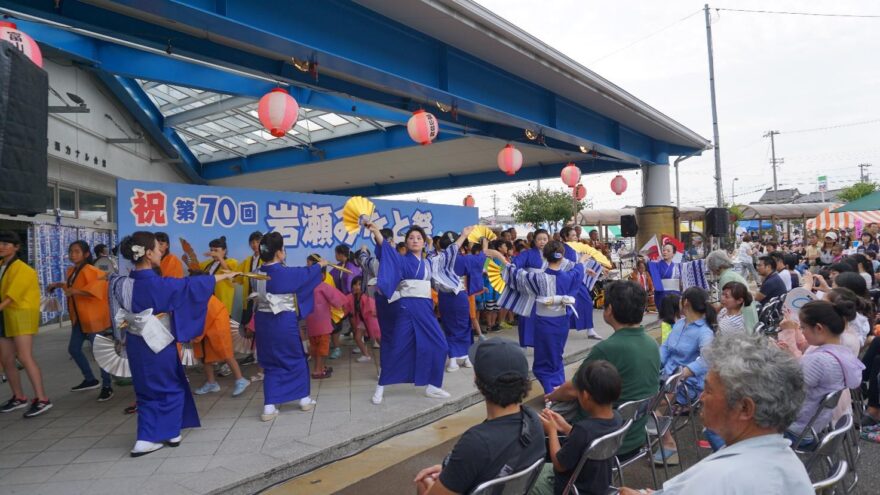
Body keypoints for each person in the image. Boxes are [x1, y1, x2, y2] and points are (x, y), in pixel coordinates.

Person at [619, 334, 813, 495]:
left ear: (745, 408)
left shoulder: (721, 479)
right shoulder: (787, 463)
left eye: (709, 390)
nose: (701, 397)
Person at [108, 231, 236, 456]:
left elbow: (116, 314)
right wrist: (223, 277)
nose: (161, 252)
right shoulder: (160, 285)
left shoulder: (119, 284)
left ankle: (161, 432)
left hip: (136, 344)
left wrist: (119, 341)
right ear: (148, 254)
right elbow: (191, 286)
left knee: (146, 390)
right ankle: (153, 437)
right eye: (157, 249)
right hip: (158, 342)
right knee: (170, 386)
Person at [413, 338, 545, 495]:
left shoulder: (477, 442)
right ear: (524, 381)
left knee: (423, 482)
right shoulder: (534, 420)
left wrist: (428, 486)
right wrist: (452, 472)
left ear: (477, 379)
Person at [545, 281, 660, 459]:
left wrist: (551, 395)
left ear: (609, 310)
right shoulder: (651, 343)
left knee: (544, 424)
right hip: (635, 434)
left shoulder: (608, 349)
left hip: (602, 441)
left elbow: (573, 390)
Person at [366, 222, 470, 405]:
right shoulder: (401, 259)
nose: (415, 240)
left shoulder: (429, 262)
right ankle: (381, 385)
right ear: (406, 242)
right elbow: (387, 252)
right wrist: (375, 231)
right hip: (406, 307)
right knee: (397, 347)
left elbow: (448, 254)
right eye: (411, 238)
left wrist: (462, 235)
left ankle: (433, 386)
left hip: (425, 309)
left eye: (419, 238)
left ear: (424, 243)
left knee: (440, 345)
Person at [490, 241, 588, 394]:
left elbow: (516, 274)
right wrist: (581, 261)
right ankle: (558, 386)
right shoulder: (570, 276)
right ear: (562, 258)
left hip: (544, 323)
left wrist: (500, 258)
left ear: (544, 256)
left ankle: (552, 393)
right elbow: (578, 270)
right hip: (562, 322)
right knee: (556, 356)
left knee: (543, 362)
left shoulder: (537, 278)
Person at [252, 232, 326, 421]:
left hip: (263, 322)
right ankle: (303, 399)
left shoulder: (257, 273)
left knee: (270, 362)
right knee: (295, 357)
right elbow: (307, 275)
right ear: (278, 253)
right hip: (282, 322)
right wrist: (320, 266)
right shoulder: (282, 273)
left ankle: (269, 406)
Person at [530, 360, 623, 495]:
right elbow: (587, 441)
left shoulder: (583, 430)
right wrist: (565, 427)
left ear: (585, 396)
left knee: (530, 481)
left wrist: (552, 431)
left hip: (573, 488)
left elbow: (559, 465)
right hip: (598, 483)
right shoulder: (617, 418)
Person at [783, 300, 864, 449]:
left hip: (794, 431)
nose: (801, 331)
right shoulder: (841, 352)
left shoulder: (818, 360)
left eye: (803, 327)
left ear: (819, 328)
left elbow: (786, 389)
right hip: (813, 427)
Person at [654, 287, 715, 465]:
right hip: (668, 376)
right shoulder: (680, 323)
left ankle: (669, 443)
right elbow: (665, 348)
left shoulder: (704, 331)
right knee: (641, 394)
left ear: (685, 302)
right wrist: (654, 364)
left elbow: (706, 359)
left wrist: (684, 373)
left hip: (687, 383)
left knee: (644, 402)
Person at [46, 240, 113, 401]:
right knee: (74, 349)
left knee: (99, 354)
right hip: (79, 319)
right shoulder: (73, 270)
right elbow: (73, 286)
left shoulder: (91, 270)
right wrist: (59, 285)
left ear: (86, 254)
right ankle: (90, 379)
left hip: (93, 319)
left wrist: (75, 291)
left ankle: (107, 385)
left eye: (76, 251)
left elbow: (98, 288)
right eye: (71, 251)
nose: (72, 254)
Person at [0, 231, 52, 418]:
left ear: (16, 247)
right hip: (5, 317)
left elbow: (11, 296)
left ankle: (42, 398)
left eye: (7, 244)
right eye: (1, 243)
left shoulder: (23, 268)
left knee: (24, 356)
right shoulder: (2, 266)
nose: (3, 246)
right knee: (6, 359)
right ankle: (19, 397)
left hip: (20, 315)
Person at [437, 231, 486, 371]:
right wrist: (484, 245)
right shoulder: (464, 259)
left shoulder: (439, 258)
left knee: (449, 325)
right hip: (460, 296)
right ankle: (465, 358)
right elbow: (479, 260)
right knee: (464, 324)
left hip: (444, 296)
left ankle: (453, 359)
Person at [192, 294, 250, 397]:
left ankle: (240, 379)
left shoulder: (209, 300)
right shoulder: (199, 297)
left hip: (217, 328)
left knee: (226, 354)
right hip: (207, 329)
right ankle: (211, 383)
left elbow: (206, 319)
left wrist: (195, 335)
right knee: (205, 357)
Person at [560, 226, 602, 340]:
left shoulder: (574, 248)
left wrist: (587, 269)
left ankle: (590, 329)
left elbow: (578, 263)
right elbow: (568, 265)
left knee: (587, 302)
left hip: (577, 279)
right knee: (566, 306)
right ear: (565, 237)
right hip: (568, 281)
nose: (576, 237)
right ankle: (561, 329)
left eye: (576, 235)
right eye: (573, 235)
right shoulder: (564, 249)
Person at [510, 229, 550, 347]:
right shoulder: (527, 253)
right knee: (527, 316)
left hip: (546, 288)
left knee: (544, 317)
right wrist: (524, 276)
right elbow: (515, 264)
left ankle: (542, 343)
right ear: (534, 240)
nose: (542, 242)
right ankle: (524, 344)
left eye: (545, 239)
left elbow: (565, 265)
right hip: (530, 289)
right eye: (539, 239)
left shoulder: (552, 254)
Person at [705, 250, 759, 334]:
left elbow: (725, 303)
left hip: (742, 317)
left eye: (711, 268)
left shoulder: (726, 277)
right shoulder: (731, 274)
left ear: (716, 267)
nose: (711, 271)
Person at [305, 276, 347, 379]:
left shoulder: (306, 286)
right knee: (322, 348)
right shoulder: (323, 286)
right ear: (323, 275)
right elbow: (338, 301)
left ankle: (321, 367)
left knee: (314, 347)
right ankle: (317, 371)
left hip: (310, 323)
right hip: (322, 322)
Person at [196, 236, 239, 316]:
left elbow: (230, 273)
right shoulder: (208, 263)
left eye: (216, 250)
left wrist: (219, 257)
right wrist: (187, 260)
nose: (213, 253)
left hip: (221, 301)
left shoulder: (232, 262)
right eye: (211, 250)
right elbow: (196, 270)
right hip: (207, 301)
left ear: (224, 251)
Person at [345, 277, 381, 362]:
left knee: (379, 339)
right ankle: (366, 355)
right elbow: (345, 304)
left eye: (359, 285)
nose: (356, 287)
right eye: (355, 284)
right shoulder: (351, 297)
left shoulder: (366, 298)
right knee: (357, 338)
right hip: (362, 321)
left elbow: (372, 312)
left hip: (370, 321)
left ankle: (388, 354)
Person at [239, 231, 263, 328]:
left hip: (262, 298)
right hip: (249, 298)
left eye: (258, 242)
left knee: (260, 327)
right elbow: (238, 275)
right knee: (246, 327)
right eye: (252, 242)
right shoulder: (247, 260)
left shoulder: (267, 259)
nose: (255, 245)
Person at [647, 243, 681, 312]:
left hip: (675, 294)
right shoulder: (656, 265)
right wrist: (645, 259)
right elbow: (649, 266)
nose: (665, 252)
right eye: (664, 250)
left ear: (673, 254)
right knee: (664, 315)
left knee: (675, 314)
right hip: (661, 294)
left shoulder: (677, 266)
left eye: (668, 251)